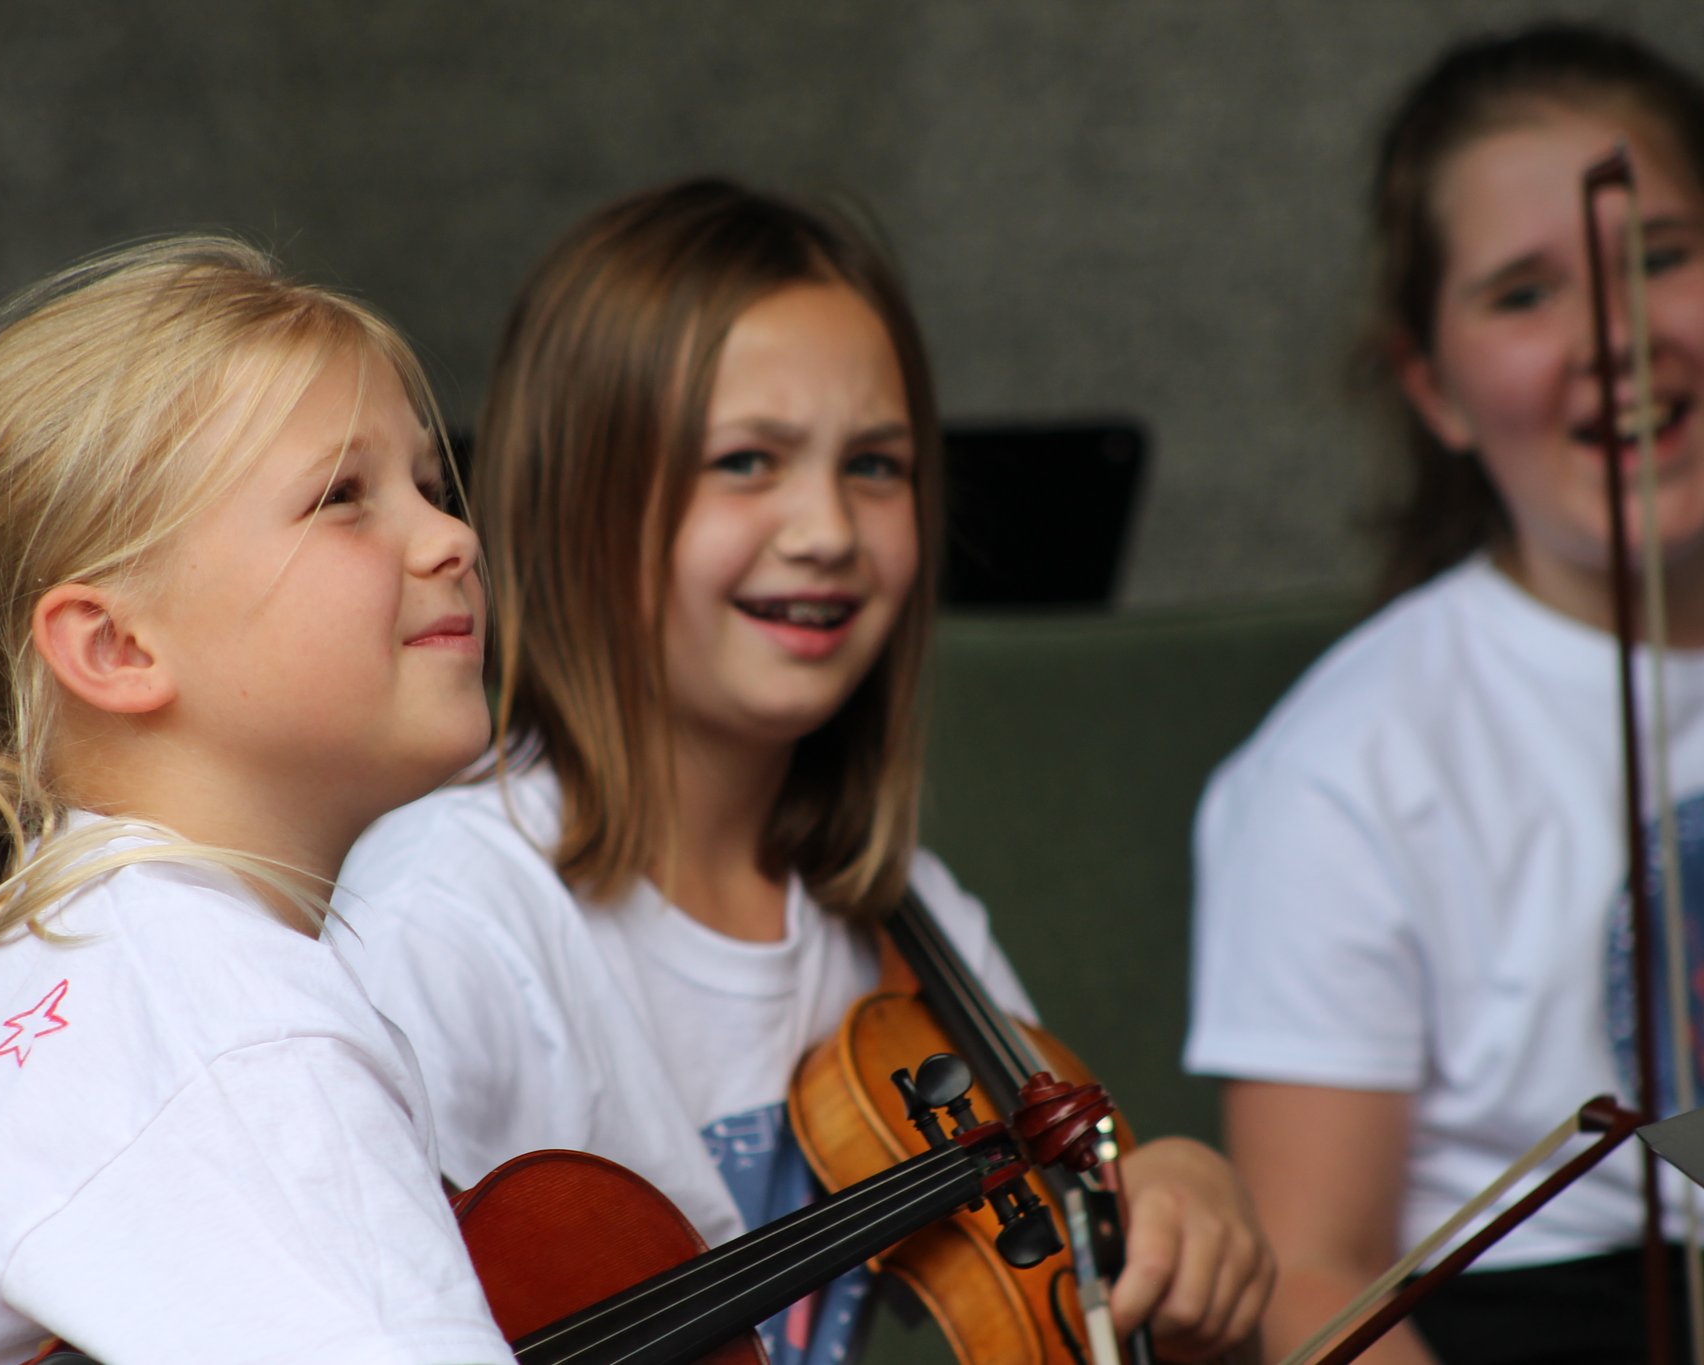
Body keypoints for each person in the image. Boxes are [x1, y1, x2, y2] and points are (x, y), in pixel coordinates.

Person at [333, 177, 1272, 1364]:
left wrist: (1173, 1194)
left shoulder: (907, 920)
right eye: (745, 461)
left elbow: (1073, 1254)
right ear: (577, 504)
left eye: (874, 465)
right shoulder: (442, 921)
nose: (825, 528)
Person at [0, 237, 514, 1365]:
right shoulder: (218, 1015)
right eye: (342, 498)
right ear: (115, 647)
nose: (454, 536)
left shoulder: (90, 950)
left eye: (430, 485)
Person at [1184, 22, 1704, 1365]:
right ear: (1435, 387)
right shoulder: (1346, 766)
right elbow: (1315, 1277)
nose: (1615, 338)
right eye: (1524, 295)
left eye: (1660, 259)